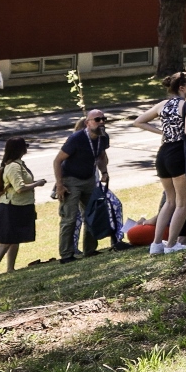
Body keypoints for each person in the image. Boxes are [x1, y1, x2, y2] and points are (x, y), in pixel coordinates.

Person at [130, 72, 186, 255]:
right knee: (182, 203)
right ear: (181, 87)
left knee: (169, 201)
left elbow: (139, 122)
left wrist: (161, 133)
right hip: (180, 153)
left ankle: (156, 244)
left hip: (163, 153)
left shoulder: (163, 105)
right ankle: (171, 244)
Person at [52, 108, 111, 261]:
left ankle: (90, 250)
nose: (102, 122)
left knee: (93, 214)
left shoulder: (103, 137)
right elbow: (57, 161)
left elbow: (100, 156)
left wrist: (104, 172)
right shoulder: (76, 139)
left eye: (104, 119)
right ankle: (66, 254)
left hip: (89, 179)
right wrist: (60, 185)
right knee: (69, 218)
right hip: (70, 180)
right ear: (87, 123)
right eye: (97, 120)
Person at [0, 137, 39, 275]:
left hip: (20, 205)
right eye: (25, 146)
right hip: (12, 206)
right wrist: (37, 183)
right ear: (20, 149)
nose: (26, 149)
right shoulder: (14, 166)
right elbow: (20, 188)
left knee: (15, 239)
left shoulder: (17, 164)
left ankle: (10, 268)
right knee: (6, 240)